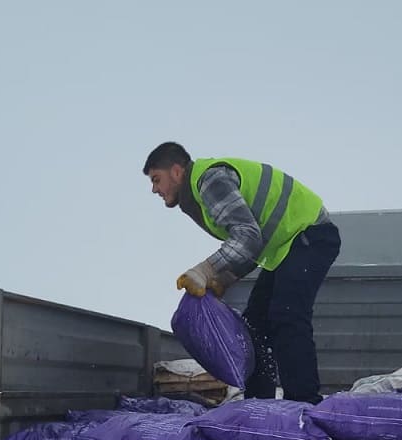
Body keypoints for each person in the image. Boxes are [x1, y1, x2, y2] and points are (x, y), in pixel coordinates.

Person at [143, 141, 340, 405]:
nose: (154, 189)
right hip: (286, 246)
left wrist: (204, 270)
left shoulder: (209, 180)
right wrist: (224, 278)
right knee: (255, 323)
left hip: (310, 235)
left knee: (288, 314)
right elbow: (252, 244)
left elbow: (247, 237)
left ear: (177, 172)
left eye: (157, 179)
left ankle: (304, 403)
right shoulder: (200, 193)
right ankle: (258, 404)